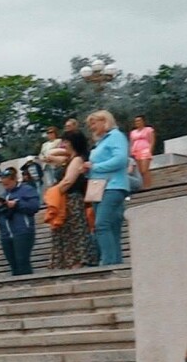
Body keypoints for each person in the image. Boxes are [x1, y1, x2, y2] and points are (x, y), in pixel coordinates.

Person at [86, 110, 132, 266]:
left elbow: (120, 160)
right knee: (112, 226)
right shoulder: (102, 141)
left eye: (93, 123)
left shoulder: (116, 137)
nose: (91, 127)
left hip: (113, 186)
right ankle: (115, 261)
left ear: (104, 121)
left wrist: (95, 167)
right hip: (99, 187)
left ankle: (108, 261)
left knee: (102, 224)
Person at [51, 129, 99, 270]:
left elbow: (68, 181)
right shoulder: (68, 159)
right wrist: (64, 149)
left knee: (74, 232)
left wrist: (52, 193)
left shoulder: (77, 159)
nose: (63, 144)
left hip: (72, 200)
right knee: (67, 233)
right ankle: (70, 262)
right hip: (66, 201)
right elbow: (49, 155)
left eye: (66, 141)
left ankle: (78, 262)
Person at [0, 168, 40, 277]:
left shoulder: (27, 190)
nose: (5, 186)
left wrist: (17, 204)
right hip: (6, 233)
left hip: (22, 231)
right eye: (3, 184)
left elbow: (34, 207)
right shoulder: (3, 194)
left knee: (22, 261)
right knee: (13, 264)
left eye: (7, 183)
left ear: (14, 179)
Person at [130, 115, 157, 189]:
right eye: (136, 121)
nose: (137, 122)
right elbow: (132, 142)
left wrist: (150, 150)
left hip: (145, 150)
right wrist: (131, 151)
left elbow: (152, 140)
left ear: (143, 121)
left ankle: (148, 186)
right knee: (139, 171)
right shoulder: (133, 132)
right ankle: (142, 186)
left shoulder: (149, 130)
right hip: (136, 151)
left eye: (139, 120)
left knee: (145, 170)